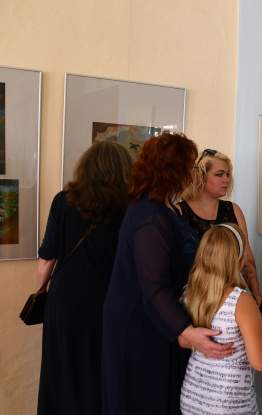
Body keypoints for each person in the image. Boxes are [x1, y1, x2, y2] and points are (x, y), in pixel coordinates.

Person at [102, 132, 234, 415]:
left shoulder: (157, 207)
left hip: (151, 321)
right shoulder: (151, 217)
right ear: (173, 171)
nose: (192, 173)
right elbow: (154, 287)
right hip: (141, 329)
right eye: (188, 166)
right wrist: (186, 332)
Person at [37, 141, 132, 415]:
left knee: (61, 373)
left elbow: (47, 259)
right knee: (100, 372)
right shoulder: (130, 206)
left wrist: (41, 290)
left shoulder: (64, 200)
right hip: (109, 300)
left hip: (64, 300)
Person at [180, 224, 262, 415]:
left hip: (192, 397)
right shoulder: (241, 301)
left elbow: (183, 340)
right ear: (239, 262)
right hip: (228, 404)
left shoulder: (190, 293)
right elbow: (259, 362)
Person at [177, 149, 262, 312]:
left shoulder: (233, 210)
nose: (226, 179)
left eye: (228, 174)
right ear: (200, 176)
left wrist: (257, 296)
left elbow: (247, 259)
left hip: (227, 300)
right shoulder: (179, 211)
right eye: (219, 174)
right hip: (190, 300)